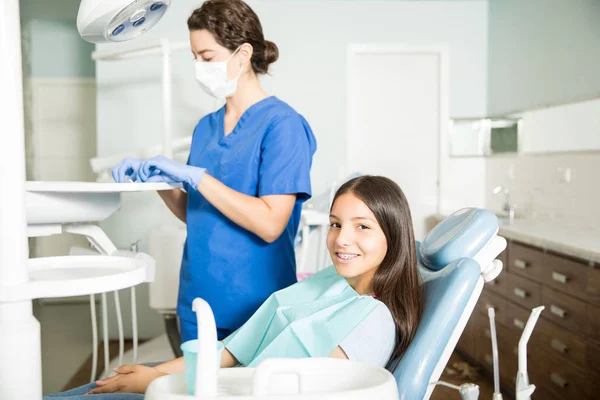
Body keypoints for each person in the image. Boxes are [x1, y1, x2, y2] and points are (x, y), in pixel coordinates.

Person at [46, 175, 423, 398]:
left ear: (394, 234)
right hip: (223, 384)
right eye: (336, 224)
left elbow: (301, 391)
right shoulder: (332, 280)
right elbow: (234, 348)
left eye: (363, 227)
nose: (341, 240)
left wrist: (166, 385)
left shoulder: (373, 321)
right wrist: (160, 373)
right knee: (95, 387)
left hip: (235, 392)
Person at [112, 0, 317, 342]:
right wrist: (161, 183)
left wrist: (197, 177)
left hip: (257, 306)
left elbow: (270, 224)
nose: (199, 67)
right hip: (197, 300)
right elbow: (197, 213)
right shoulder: (205, 128)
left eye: (207, 58)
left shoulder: (283, 125)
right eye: (194, 58)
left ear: (242, 54)